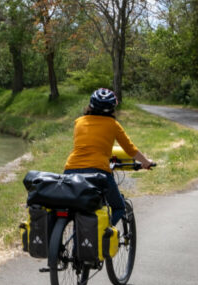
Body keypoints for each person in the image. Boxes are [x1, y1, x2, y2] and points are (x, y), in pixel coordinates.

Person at [63, 88, 154, 224]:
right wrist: (146, 162)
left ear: (90, 106)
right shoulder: (113, 125)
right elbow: (130, 150)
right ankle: (102, 235)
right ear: (112, 109)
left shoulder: (79, 122)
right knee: (119, 207)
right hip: (98, 173)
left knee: (78, 208)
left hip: (70, 171)